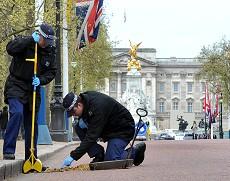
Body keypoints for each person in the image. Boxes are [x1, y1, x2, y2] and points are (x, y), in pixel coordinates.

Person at [3, 23, 57, 162]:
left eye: (50, 41)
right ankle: (8, 150)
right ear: (39, 36)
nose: (48, 43)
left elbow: (52, 72)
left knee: (31, 124)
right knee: (17, 113)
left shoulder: (50, 51)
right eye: (46, 40)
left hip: (33, 88)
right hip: (16, 84)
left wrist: (41, 79)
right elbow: (10, 48)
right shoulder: (26, 42)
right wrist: (28, 40)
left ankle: (31, 157)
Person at [61, 91, 146, 167]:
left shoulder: (97, 107)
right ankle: (98, 154)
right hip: (109, 128)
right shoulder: (85, 101)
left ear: (79, 105)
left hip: (122, 129)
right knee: (79, 127)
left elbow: (91, 137)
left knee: (112, 160)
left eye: (73, 112)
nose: (73, 115)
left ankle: (136, 151)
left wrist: (73, 156)